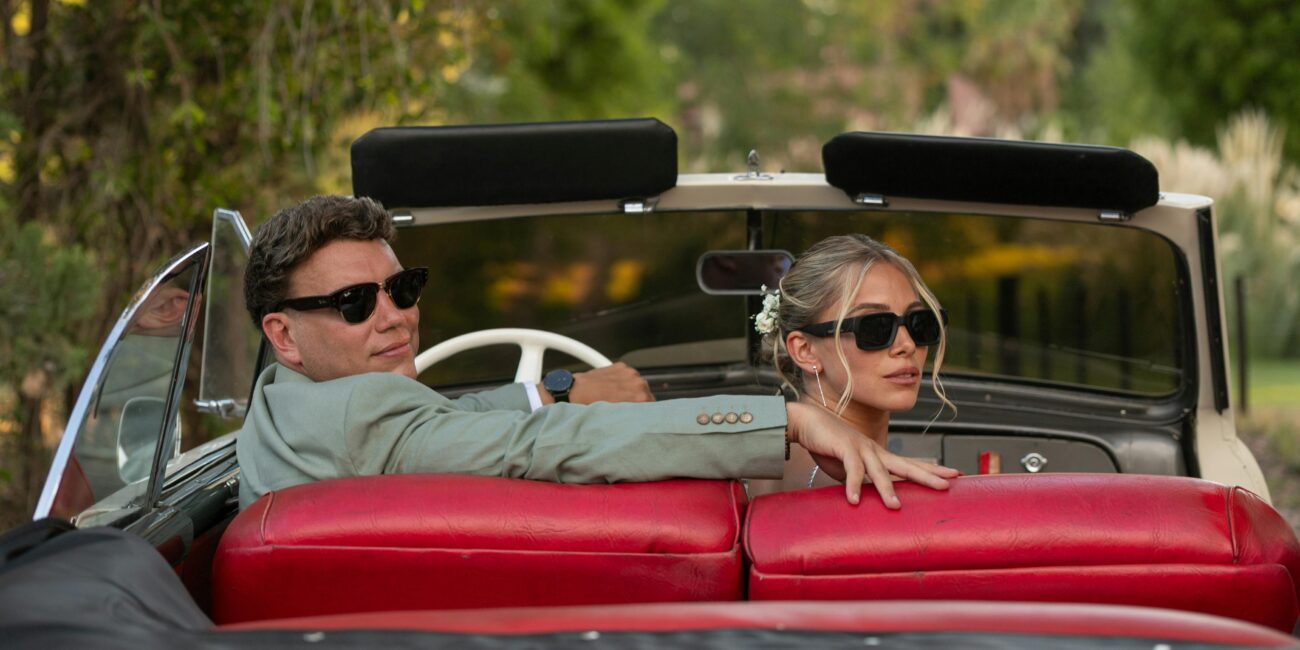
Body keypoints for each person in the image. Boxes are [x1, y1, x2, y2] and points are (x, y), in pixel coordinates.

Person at [236, 195, 957, 508]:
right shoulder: (364, 411)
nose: (396, 317)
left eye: (403, 288)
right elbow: (549, 444)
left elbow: (435, 423)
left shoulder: (279, 415)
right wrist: (787, 421)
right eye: (355, 303)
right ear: (282, 334)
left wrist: (551, 388)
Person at [748, 234, 955, 495]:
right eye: (875, 327)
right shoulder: (854, 483)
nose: (908, 344)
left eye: (919, 323)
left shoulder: (768, 461)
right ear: (805, 351)